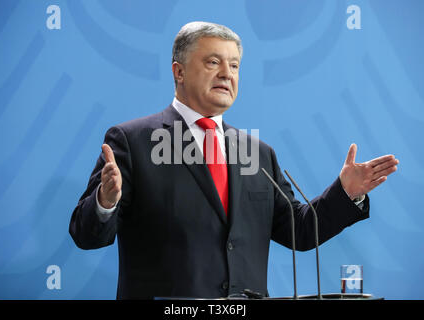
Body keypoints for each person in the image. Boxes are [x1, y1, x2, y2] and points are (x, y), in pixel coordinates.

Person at [69, 22, 399, 299]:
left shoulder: (258, 152)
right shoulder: (132, 141)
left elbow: (299, 231)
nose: (227, 74)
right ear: (179, 71)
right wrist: (105, 201)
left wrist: (345, 192)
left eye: (235, 65)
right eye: (213, 62)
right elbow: (87, 235)